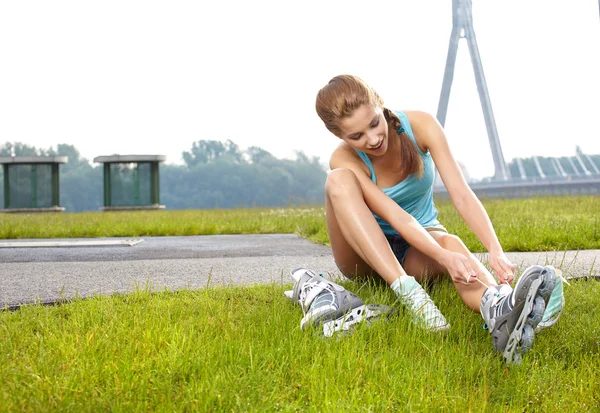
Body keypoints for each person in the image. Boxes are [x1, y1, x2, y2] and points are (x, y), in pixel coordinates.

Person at [310, 74, 564, 363]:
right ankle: (412, 296)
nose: (373, 138)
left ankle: (498, 307)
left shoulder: (421, 126)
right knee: (338, 180)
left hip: (419, 241)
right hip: (363, 252)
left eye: (374, 123)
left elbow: (462, 194)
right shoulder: (343, 157)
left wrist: (493, 248)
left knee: (451, 243)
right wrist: (442, 257)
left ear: (380, 106)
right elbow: (395, 215)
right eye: (356, 136)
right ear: (340, 136)